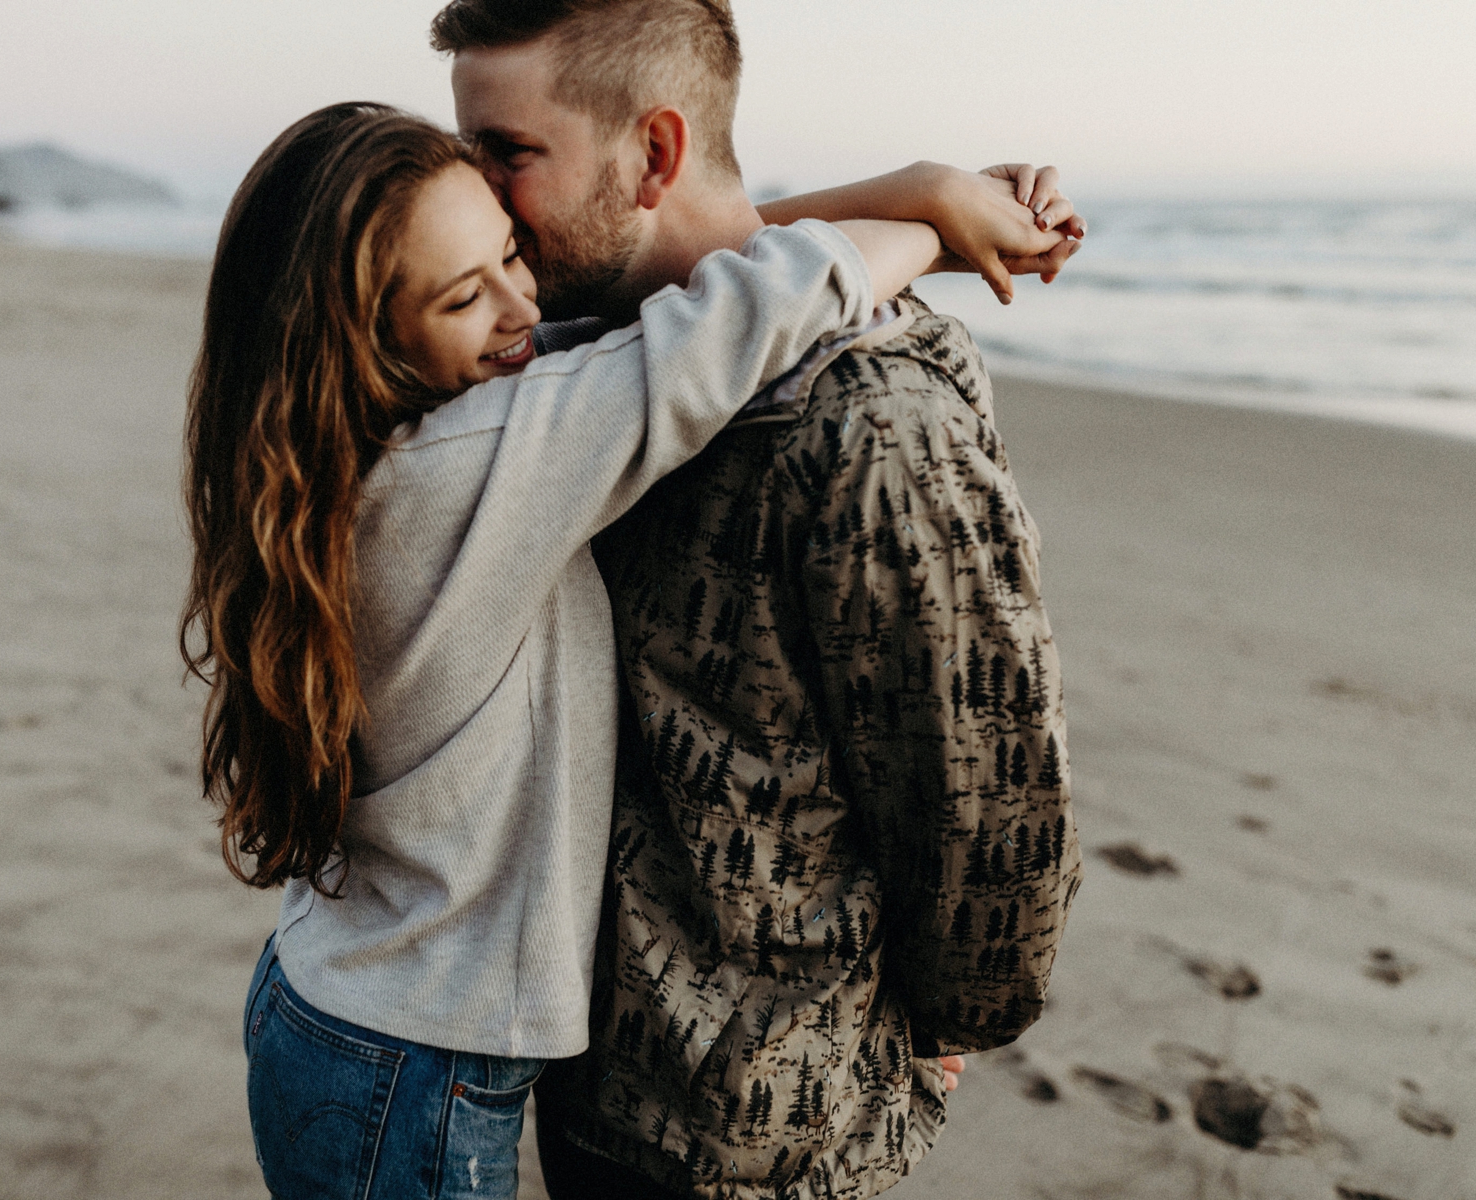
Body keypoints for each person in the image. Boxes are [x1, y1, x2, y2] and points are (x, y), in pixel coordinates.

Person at [182, 99, 1066, 1200]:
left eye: (511, 253)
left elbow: (689, 273)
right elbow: (746, 305)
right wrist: (935, 208)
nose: (524, 304)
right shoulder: (468, 466)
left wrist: (928, 189)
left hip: (341, 1008)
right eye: (467, 294)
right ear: (362, 337)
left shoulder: (348, 447)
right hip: (412, 1075)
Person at [428, 0, 1085, 1195]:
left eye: (507, 153)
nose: (474, 188)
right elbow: (717, 259)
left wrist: (942, 1040)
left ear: (656, 155)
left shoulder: (874, 425)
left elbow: (988, 804)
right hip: (581, 1070)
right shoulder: (579, 355)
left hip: (762, 1136)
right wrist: (924, 194)